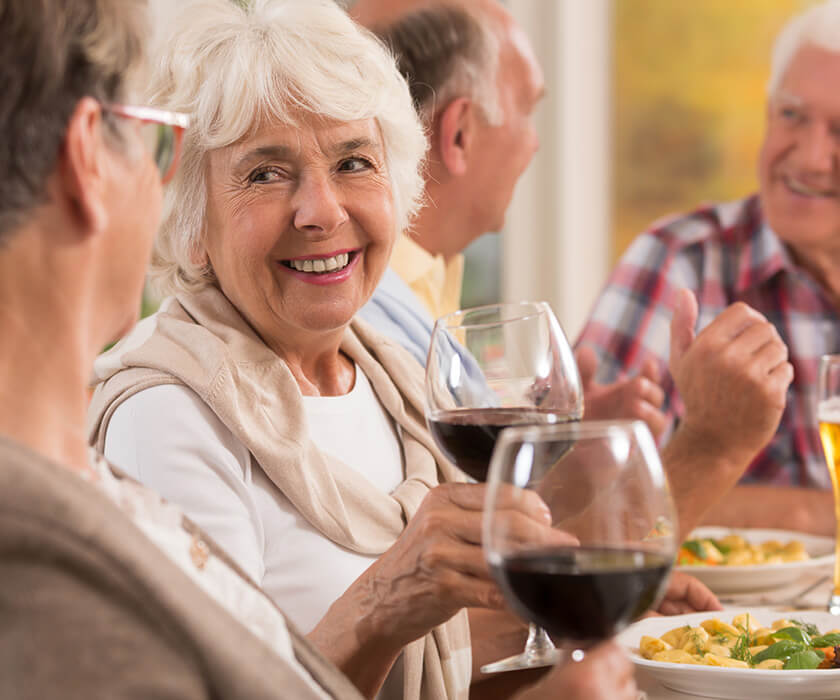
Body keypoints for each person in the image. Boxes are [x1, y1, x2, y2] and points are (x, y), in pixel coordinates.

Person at [0, 0, 637, 698]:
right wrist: (385, 602)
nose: (323, 211)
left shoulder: (397, 377)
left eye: (354, 162)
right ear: (189, 219)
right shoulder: (170, 416)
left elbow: (444, 659)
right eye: (265, 174)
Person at [577, 0, 840, 536]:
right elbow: (585, 513)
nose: (812, 158)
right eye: (792, 115)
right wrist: (808, 513)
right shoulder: (681, 260)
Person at [353, 0, 669, 440]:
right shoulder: (365, 328)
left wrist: (548, 442)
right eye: (527, 111)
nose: (534, 144)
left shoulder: (418, 291)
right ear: (460, 134)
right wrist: (716, 444)